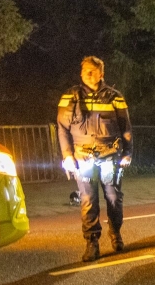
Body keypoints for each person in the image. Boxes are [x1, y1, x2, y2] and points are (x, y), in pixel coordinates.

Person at [57, 56, 133, 262]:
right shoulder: (70, 97)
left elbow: (126, 127)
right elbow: (62, 129)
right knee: (88, 200)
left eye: (94, 71)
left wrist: (128, 153)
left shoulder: (115, 97)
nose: (89, 75)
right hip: (83, 158)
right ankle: (92, 243)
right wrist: (67, 155)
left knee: (114, 198)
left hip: (110, 157)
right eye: (86, 71)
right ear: (81, 73)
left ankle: (116, 234)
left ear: (102, 73)